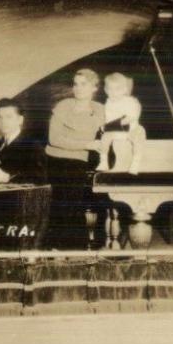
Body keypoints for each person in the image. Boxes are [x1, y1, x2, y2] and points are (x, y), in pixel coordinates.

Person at [45, 68, 105, 249]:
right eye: (75, 84)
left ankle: (74, 248)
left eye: (83, 84)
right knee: (61, 202)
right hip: (55, 158)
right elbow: (54, 139)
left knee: (73, 202)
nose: (78, 88)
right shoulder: (63, 105)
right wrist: (87, 144)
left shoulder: (100, 109)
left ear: (95, 87)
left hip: (79, 161)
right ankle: (59, 247)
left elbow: (112, 133)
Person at [0, 98, 46, 185]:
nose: (3, 122)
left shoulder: (32, 146)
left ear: (20, 120)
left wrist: (7, 177)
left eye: (9, 117)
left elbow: (40, 178)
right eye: (0, 117)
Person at [96, 72, 146, 175]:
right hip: (115, 131)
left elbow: (130, 118)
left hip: (131, 129)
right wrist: (106, 126)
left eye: (117, 89)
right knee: (105, 138)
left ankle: (136, 162)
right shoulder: (108, 102)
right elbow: (107, 119)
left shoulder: (130, 101)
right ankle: (103, 161)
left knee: (139, 135)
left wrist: (108, 126)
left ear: (125, 90)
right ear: (105, 90)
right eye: (110, 89)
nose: (113, 92)